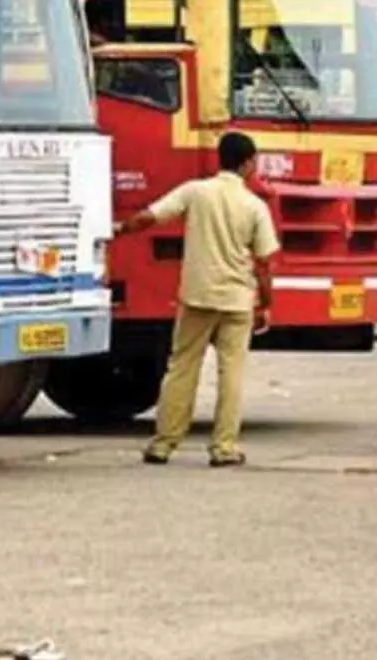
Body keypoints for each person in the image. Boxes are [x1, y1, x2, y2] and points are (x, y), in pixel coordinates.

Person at [113, 131, 279, 467]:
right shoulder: (254, 206)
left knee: (182, 367)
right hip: (236, 301)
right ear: (248, 164)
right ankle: (224, 447)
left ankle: (164, 444)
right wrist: (266, 302)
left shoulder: (196, 191)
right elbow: (264, 262)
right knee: (231, 373)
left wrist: (118, 230)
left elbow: (149, 217)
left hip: (197, 296)